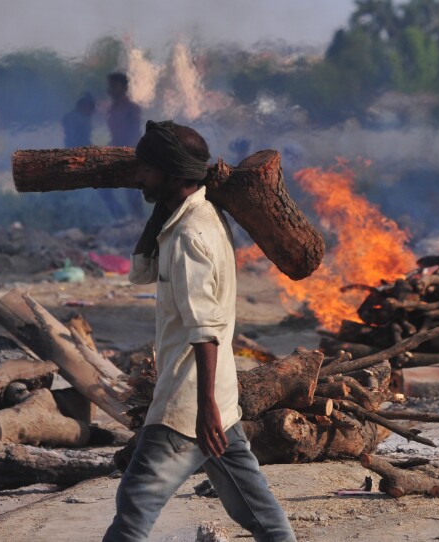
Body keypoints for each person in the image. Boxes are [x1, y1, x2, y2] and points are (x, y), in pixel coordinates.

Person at [103, 120, 296, 542]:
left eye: (147, 171)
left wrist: (204, 405)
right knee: (260, 515)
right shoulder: (195, 216)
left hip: (189, 406)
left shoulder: (191, 235)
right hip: (216, 400)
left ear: (173, 175)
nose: (138, 178)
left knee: (132, 515)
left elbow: (205, 329)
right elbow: (144, 272)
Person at [101, 72, 145, 219]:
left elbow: (134, 132)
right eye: (110, 86)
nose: (110, 89)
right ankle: (122, 217)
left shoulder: (131, 108)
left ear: (123, 87)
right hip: (114, 151)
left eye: (114, 86)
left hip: (129, 153)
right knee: (104, 188)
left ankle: (138, 221)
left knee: (132, 191)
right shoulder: (112, 109)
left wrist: (131, 153)